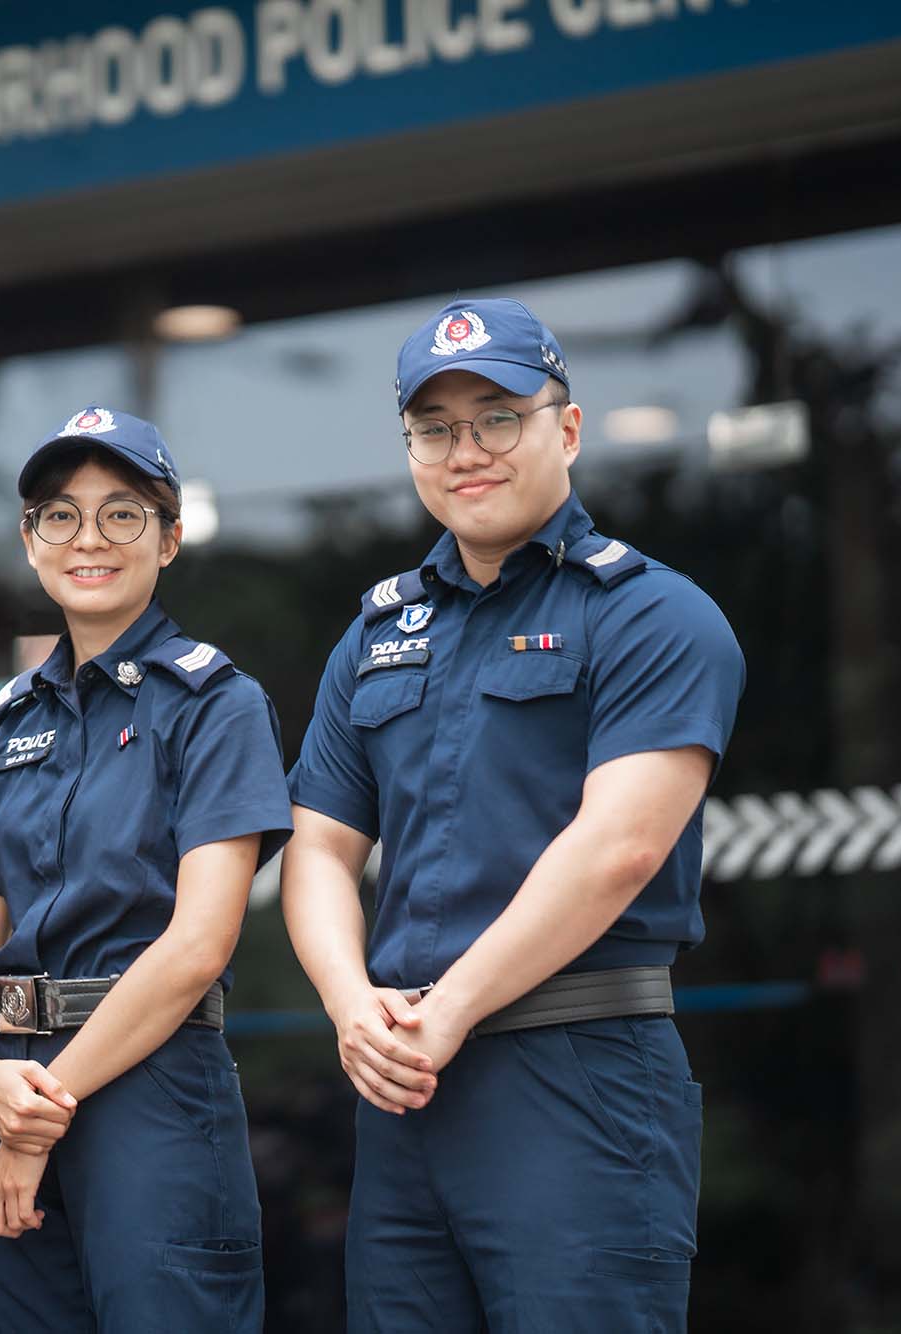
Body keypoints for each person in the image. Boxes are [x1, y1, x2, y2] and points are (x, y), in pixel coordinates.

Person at [283, 297, 746, 1331]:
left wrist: (441, 1011)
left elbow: (618, 847)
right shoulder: (374, 635)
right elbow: (316, 846)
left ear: (565, 429)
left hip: (574, 1067)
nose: (465, 451)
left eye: (497, 416)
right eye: (435, 427)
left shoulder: (650, 613)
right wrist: (352, 1004)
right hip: (405, 1085)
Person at [0, 406, 291, 1331]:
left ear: (169, 539)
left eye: (123, 514)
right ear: (30, 539)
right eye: (61, 514)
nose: (89, 538)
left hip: (147, 1089)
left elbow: (198, 945)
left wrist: (38, 1116)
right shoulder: (17, 718)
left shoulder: (216, 703)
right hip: (8, 1085)